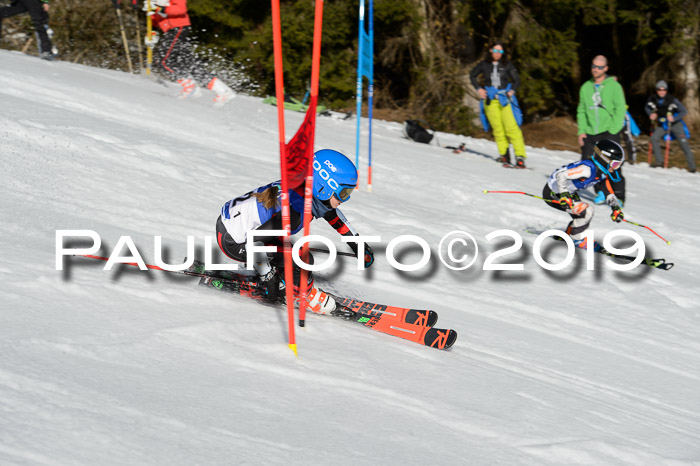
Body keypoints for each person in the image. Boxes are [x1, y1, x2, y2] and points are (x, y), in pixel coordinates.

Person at [215, 149, 375, 314]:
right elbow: (254, 241)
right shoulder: (294, 214)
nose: (346, 199)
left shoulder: (306, 192)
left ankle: (282, 278)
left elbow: (332, 215)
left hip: (237, 226)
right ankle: (305, 295)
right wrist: (267, 276)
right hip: (235, 241)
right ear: (324, 188)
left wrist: (357, 244)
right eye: (344, 193)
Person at [145, 0, 235, 105]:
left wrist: (159, 8)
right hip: (170, 30)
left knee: (163, 61)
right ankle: (222, 90)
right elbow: (153, 17)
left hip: (178, 28)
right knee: (188, 63)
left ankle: (190, 87)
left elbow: (180, 9)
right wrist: (153, 32)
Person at [542, 139, 625, 250]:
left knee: (580, 214)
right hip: (553, 193)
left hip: (568, 192)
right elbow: (561, 175)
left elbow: (608, 192)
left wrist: (616, 208)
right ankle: (577, 240)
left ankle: (567, 236)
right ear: (604, 158)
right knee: (586, 211)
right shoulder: (587, 169)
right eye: (615, 164)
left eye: (618, 165)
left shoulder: (601, 173)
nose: (615, 168)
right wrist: (564, 195)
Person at [576, 55, 627, 204]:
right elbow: (581, 110)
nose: (595, 70)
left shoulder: (614, 86)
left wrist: (613, 130)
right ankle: (600, 192)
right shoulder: (585, 87)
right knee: (590, 164)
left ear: (605, 69)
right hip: (590, 132)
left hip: (608, 131)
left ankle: (619, 195)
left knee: (612, 164)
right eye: (593, 66)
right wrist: (581, 131)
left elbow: (620, 109)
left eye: (599, 67)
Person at [469, 42, 528, 168]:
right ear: (490, 50)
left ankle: (520, 157)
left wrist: (512, 91)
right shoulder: (484, 64)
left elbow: (516, 80)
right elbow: (472, 75)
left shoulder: (507, 65)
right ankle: (504, 155)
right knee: (497, 128)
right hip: (490, 100)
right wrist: (479, 89)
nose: (497, 54)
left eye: (500, 52)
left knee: (512, 128)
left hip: (505, 99)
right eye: (495, 51)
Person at [644, 80, 696, 173]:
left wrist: (674, 118)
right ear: (656, 90)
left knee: (683, 144)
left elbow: (683, 111)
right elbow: (647, 107)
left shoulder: (672, 99)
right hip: (663, 124)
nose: (661, 91)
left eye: (663, 90)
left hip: (676, 124)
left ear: (666, 90)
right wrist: (651, 114)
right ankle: (659, 161)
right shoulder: (653, 99)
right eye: (659, 90)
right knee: (654, 138)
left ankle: (692, 167)